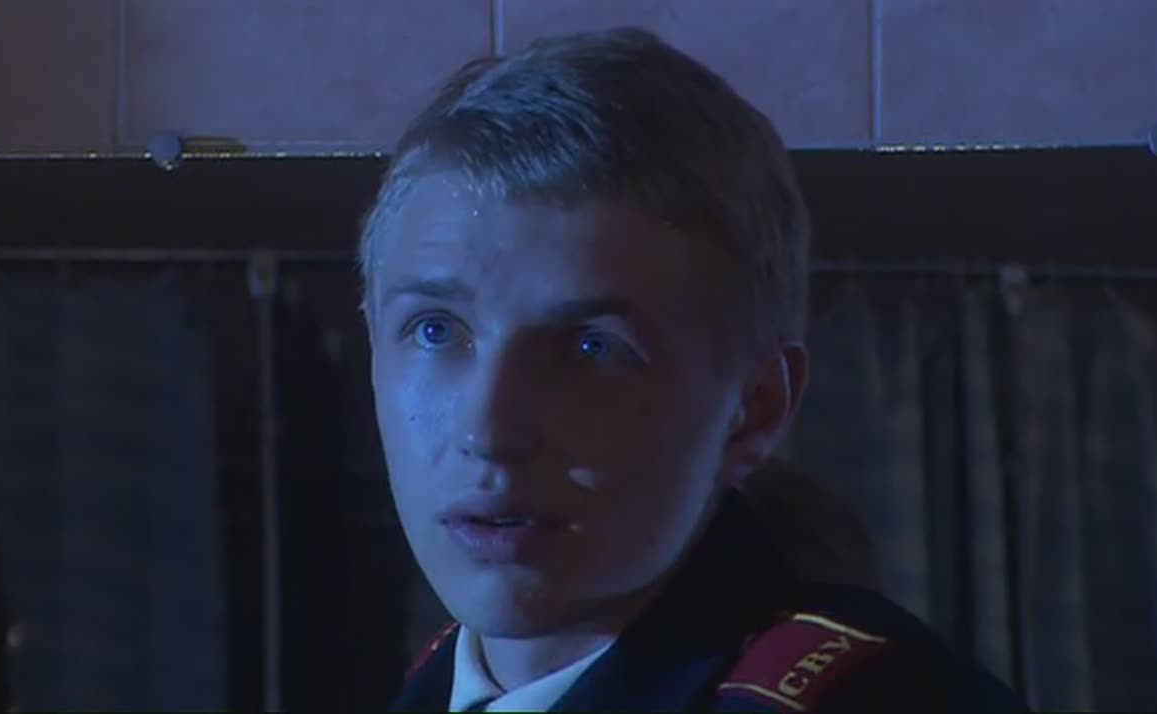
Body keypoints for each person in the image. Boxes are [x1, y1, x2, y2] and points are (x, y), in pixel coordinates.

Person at [358, 27, 1027, 712]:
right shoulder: (436, 687)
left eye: (591, 348)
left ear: (753, 410)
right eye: (435, 330)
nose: (489, 431)